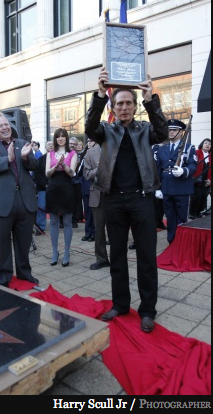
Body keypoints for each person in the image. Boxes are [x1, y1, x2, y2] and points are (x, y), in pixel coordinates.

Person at [85, 67, 168, 333]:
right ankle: (120, 304)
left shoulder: (145, 130)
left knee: (146, 258)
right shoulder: (106, 132)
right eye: (119, 103)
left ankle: (147, 310)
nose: (124, 108)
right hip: (114, 202)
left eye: (128, 103)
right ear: (114, 106)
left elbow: (163, 132)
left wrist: (149, 98)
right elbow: (89, 127)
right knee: (117, 257)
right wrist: (99, 95)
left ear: (134, 106)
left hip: (142, 201)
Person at [0, 112, 39, 287]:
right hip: (0, 203)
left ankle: (24, 273)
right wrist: (8, 159)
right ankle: (3, 277)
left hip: (24, 201)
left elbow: (35, 166)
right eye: (0, 126)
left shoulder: (22, 144)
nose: (5, 128)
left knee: (23, 242)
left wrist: (26, 157)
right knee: (0, 244)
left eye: (6, 124)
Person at [155, 119, 197, 243]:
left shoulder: (189, 148)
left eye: (174, 130)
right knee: (170, 217)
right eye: (169, 130)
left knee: (182, 218)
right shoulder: (162, 148)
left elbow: (193, 165)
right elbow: (158, 169)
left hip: (181, 188)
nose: (171, 132)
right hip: (167, 188)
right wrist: (157, 188)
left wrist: (183, 171)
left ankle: (182, 243)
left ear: (181, 132)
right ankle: (171, 242)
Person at [46, 128, 77, 267]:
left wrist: (63, 165)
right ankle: (54, 252)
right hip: (53, 188)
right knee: (53, 221)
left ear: (66, 138)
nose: (60, 139)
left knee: (67, 221)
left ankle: (66, 252)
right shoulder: (50, 153)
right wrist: (55, 167)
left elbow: (72, 173)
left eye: (63, 136)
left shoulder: (72, 153)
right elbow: (47, 173)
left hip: (67, 188)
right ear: (55, 139)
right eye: (58, 137)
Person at [83, 139, 110, 270]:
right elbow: (86, 174)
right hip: (97, 194)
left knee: (116, 229)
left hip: (114, 194)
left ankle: (117, 258)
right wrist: (98, 169)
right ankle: (102, 258)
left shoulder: (116, 149)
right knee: (99, 230)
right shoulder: (90, 152)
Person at [33, 141, 54, 236]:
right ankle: (40, 228)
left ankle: (55, 226)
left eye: (53, 144)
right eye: (49, 144)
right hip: (43, 188)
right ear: (45, 147)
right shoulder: (40, 159)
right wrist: (45, 184)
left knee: (55, 209)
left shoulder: (59, 158)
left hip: (56, 188)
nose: (51, 146)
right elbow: (36, 174)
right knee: (41, 208)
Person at [78, 138, 95, 242]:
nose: (89, 143)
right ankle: (88, 233)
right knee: (87, 213)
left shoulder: (97, 154)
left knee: (95, 213)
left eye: (92, 141)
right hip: (85, 187)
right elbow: (78, 172)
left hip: (94, 187)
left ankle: (94, 233)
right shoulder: (83, 155)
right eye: (88, 141)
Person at [189, 138, 211, 219]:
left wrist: (210, 180)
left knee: (203, 197)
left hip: (206, 180)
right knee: (196, 197)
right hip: (197, 179)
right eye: (206, 143)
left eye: (209, 144)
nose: (207, 145)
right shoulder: (197, 152)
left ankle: (198, 213)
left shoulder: (210, 155)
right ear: (202, 144)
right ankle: (192, 213)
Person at [69, 136, 83, 228]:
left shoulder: (80, 156)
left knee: (77, 202)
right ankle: (63, 220)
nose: (72, 145)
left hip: (77, 182)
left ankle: (74, 220)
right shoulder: (64, 153)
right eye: (71, 143)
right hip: (66, 182)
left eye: (74, 144)